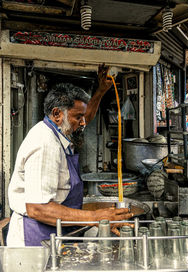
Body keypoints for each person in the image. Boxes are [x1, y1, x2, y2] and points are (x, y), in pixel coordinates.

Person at [7, 64, 134, 246]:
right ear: (57, 114)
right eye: (77, 118)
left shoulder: (61, 130)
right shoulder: (45, 143)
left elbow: (85, 117)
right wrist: (96, 217)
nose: (83, 123)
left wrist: (101, 90)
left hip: (56, 233)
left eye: (82, 117)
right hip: (37, 238)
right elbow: (37, 208)